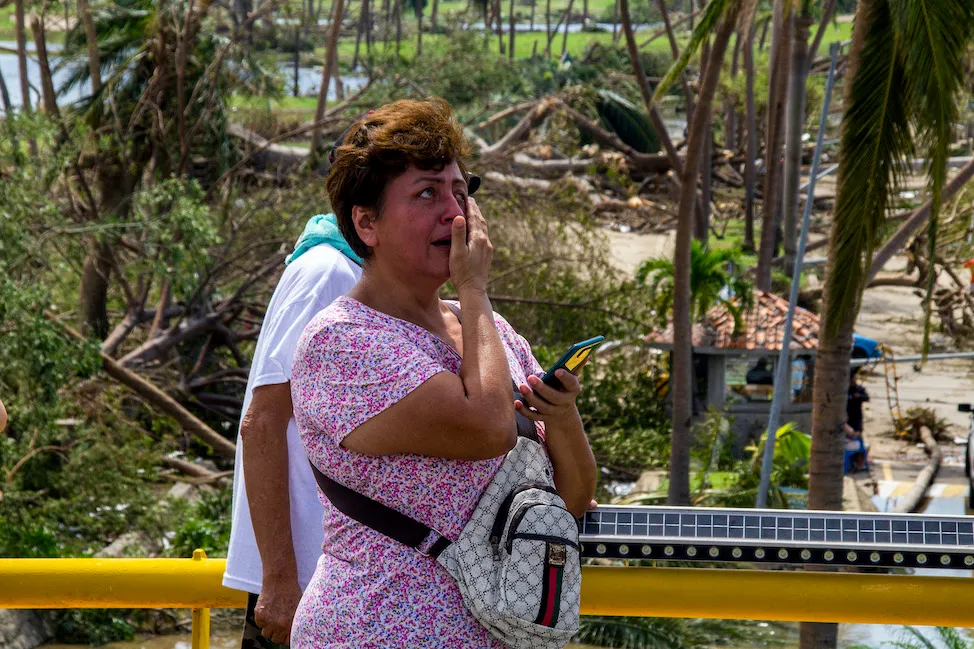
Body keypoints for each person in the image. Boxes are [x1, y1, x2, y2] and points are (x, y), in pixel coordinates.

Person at [288, 98, 597, 648]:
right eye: (427, 193)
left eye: (460, 192)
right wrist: (473, 287)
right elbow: (489, 429)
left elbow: (569, 499)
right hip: (375, 630)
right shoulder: (341, 343)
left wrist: (562, 413)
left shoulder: (491, 334)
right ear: (366, 223)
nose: (455, 214)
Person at [223, 212, 363, 647]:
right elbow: (262, 424)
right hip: (307, 584)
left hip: (347, 578)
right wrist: (279, 580)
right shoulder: (328, 271)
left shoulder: (360, 273)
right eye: (425, 191)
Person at [845, 370, 871, 471]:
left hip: (856, 418)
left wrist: (859, 396)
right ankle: (854, 462)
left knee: (859, 440)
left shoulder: (859, 389)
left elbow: (867, 398)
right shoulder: (844, 390)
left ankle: (859, 463)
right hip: (847, 419)